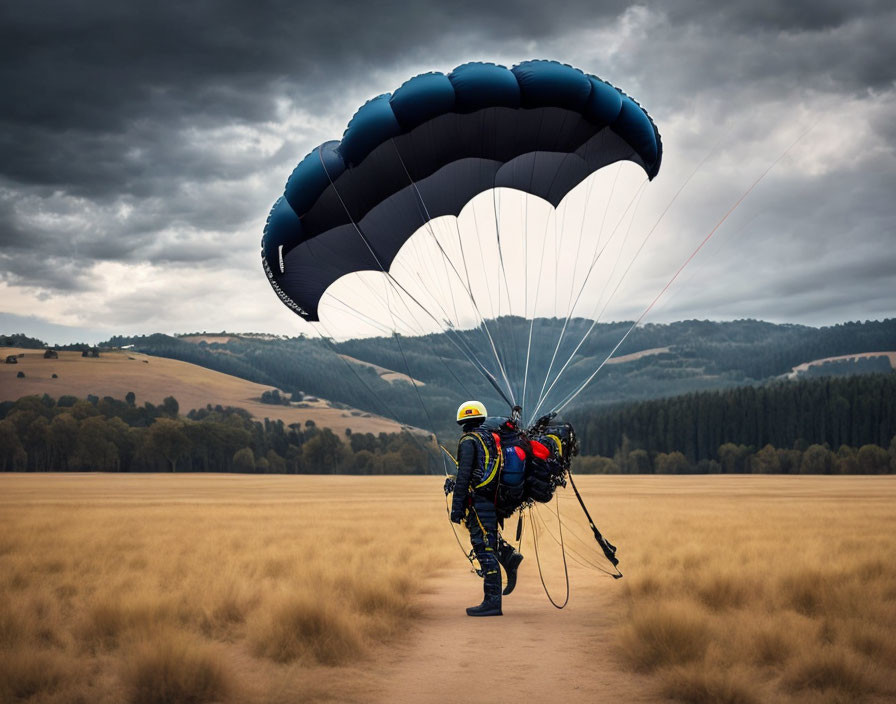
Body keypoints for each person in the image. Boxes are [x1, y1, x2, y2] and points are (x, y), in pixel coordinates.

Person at [450, 400, 524, 617]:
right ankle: (509, 557)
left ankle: (492, 602)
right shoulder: (491, 439)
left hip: (478, 502)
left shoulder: (468, 441)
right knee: (487, 542)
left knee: (484, 548)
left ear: (462, 420)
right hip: (491, 499)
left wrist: (456, 507)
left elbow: (464, 476)